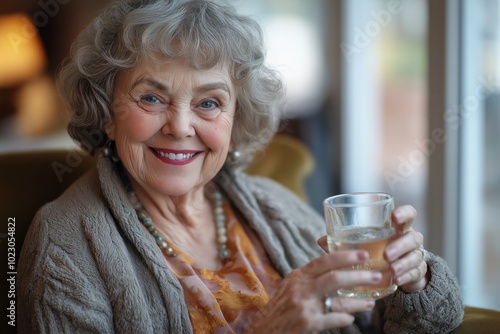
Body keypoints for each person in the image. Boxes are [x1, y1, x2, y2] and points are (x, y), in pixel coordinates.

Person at [18, 0, 464, 333]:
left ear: (237, 118)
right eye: (152, 97)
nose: (180, 126)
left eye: (209, 102)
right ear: (107, 112)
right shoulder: (64, 246)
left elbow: (388, 323)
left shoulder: (272, 205)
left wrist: (412, 279)